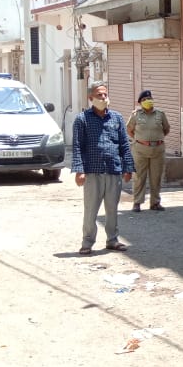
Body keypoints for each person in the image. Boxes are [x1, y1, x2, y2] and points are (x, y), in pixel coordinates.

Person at [71, 81, 134, 255]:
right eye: (99, 95)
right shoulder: (82, 119)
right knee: (91, 209)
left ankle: (112, 240)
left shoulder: (117, 118)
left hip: (113, 169)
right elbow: (78, 146)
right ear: (90, 98)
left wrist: (128, 167)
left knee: (112, 208)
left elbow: (124, 144)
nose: (103, 97)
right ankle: (87, 242)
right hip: (92, 171)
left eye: (105, 94)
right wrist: (79, 170)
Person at [127, 89, 170, 212]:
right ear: (140, 102)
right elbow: (130, 130)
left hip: (158, 150)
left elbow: (166, 129)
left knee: (156, 177)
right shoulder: (136, 115)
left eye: (149, 99)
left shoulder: (160, 114)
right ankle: (137, 202)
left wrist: (155, 140)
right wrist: (141, 140)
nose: (148, 101)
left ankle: (155, 203)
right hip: (140, 150)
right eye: (145, 100)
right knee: (139, 177)